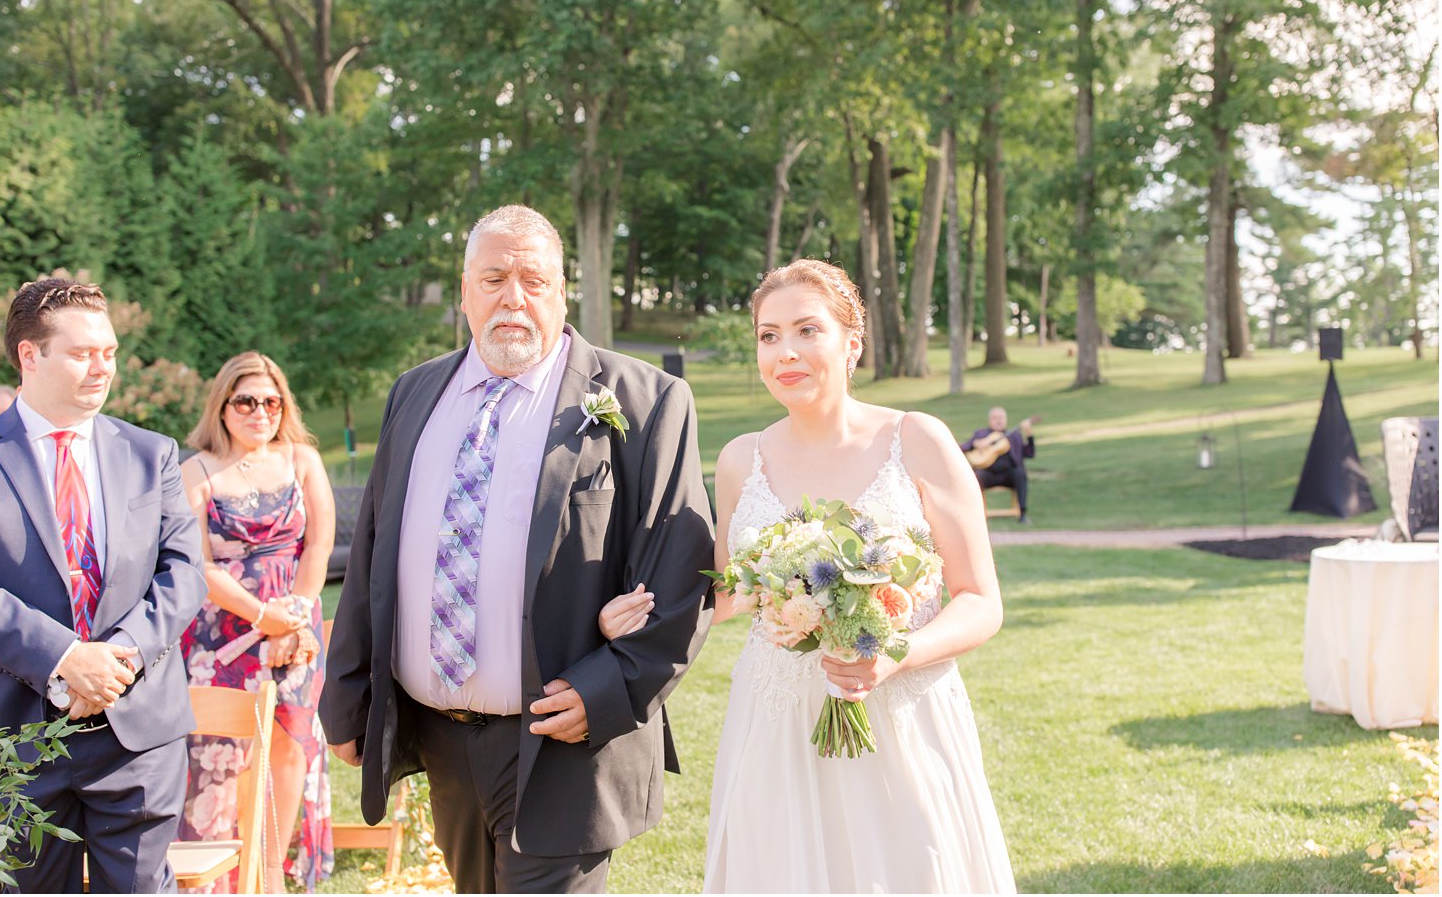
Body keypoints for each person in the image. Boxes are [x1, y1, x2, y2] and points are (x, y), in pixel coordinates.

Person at [321, 205, 714, 894]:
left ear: (563, 291)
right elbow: (374, 559)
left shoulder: (647, 402)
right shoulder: (414, 394)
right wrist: (350, 696)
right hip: (442, 739)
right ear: (465, 289)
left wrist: (606, 691)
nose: (514, 296)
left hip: (564, 744)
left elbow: (681, 577)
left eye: (533, 279)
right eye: (494, 277)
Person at [601, 259, 1015, 893]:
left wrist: (896, 654)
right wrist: (633, 614)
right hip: (777, 718)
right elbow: (729, 591)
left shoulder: (920, 441)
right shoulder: (744, 458)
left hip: (901, 713)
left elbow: (981, 601)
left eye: (806, 330)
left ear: (852, 343)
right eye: (769, 336)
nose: (784, 352)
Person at [0, 277, 206, 892]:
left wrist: (115, 661)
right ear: (30, 354)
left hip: (135, 734)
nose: (102, 367)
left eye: (108, 351)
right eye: (82, 353)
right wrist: (66, 659)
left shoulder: (150, 452)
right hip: (11, 733)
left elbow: (183, 573)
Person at [178, 351, 335, 892]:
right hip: (219, 634)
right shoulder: (194, 471)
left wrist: (291, 615)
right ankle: (213, 877)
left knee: (289, 746)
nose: (259, 411)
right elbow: (195, 563)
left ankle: (268, 877)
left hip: (294, 630)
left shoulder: (302, 461)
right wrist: (259, 615)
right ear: (222, 406)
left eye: (271, 401)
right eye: (245, 400)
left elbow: (319, 543)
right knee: (219, 753)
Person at [960, 406, 1036, 523]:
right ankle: (976, 515)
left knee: (1020, 473)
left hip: (1009, 475)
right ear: (989, 420)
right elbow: (963, 447)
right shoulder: (981, 434)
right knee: (975, 477)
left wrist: (1029, 434)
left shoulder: (1014, 435)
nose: (998, 420)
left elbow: (1030, 454)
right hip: (988, 474)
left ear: (1005, 420)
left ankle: (1022, 514)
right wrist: (976, 443)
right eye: (995, 418)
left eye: (1001, 417)